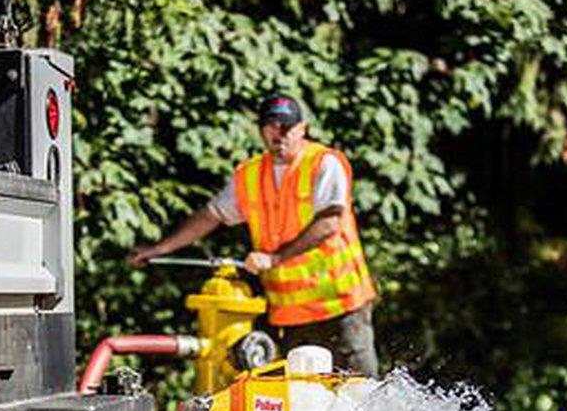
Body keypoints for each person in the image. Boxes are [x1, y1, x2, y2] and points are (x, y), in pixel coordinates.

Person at [129, 95, 379, 376]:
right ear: (261, 130)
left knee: (360, 392)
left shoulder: (323, 163)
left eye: (287, 125)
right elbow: (211, 215)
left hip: (341, 307)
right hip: (292, 316)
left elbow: (330, 222)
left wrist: (275, 258)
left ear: (302, 128)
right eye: (271, 125)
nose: (279, 132)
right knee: (303, 403)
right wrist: (160, 249)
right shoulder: (250, 175)